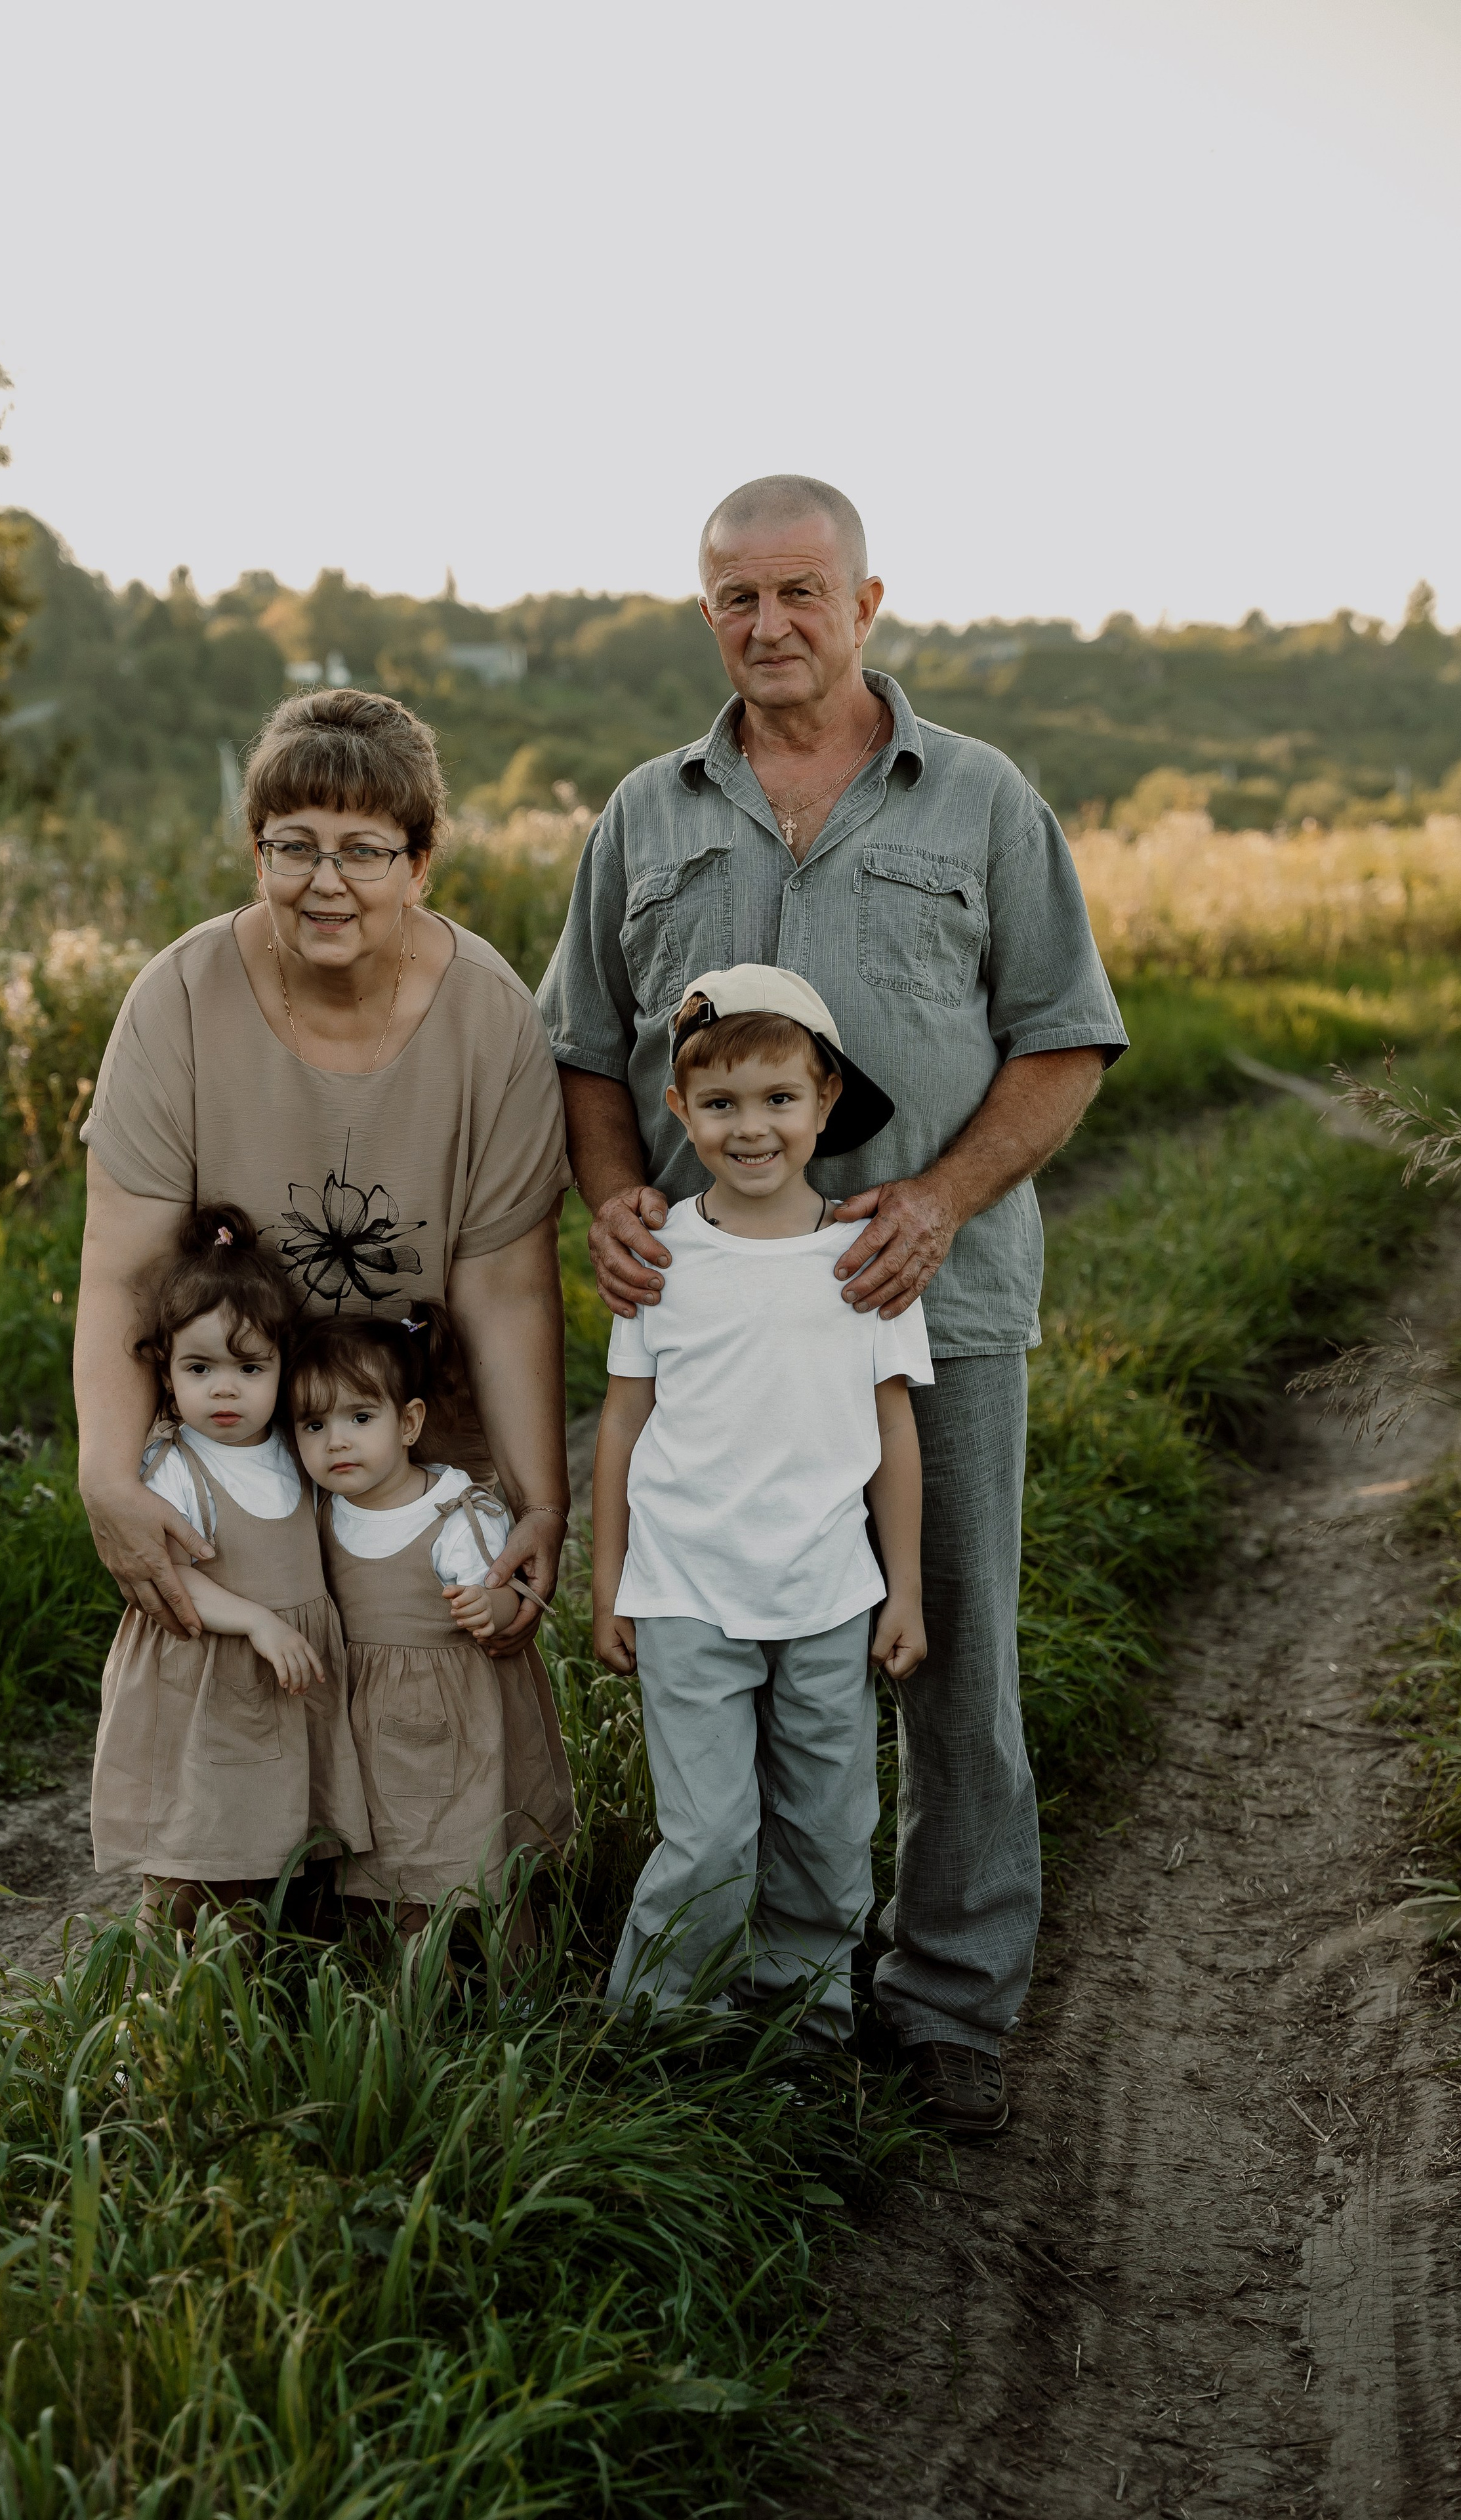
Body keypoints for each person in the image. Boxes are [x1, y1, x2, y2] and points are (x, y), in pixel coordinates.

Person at [538, 474, 1128, 2133]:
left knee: (948, 1651)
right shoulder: (644, 815)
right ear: (702, 611)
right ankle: (758, 1991)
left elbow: (1065, 1035)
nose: (767, 624)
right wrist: (605, 1201)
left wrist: (937, 1198)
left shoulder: (981, 802)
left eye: (800, 592)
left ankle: (943, 1999)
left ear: (866, 602)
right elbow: (582, 1047)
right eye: (734, 597)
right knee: (730, 1633)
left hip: (919, 1303)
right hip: (710, 1334)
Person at [74, 686, 573, 1667]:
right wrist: (107, 1477)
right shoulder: (178, 998)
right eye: (292, 846)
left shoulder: (493, 1018)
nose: (324, 882)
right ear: (257, 852)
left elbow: (507, 1291)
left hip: (408, 1443)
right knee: (244, 1727)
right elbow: (125, 1273)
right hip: (233, 1436)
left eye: (364, 851)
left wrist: (541, 1502)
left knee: (421, 1743)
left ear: (420, 863)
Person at [590, 969, 931, 2045]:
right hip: (688, 1589)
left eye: (780, 1099)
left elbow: (893, 1437)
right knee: (710, 1836)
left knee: (829, 1834)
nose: (753, 1129)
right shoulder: (659, 1261)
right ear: (680, 1111)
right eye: (722, 1104)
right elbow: (620, 1425)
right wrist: (610, 1582)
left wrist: (904, 1589)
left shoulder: (862, 1260)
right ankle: (659, 2036)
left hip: (830, 1592)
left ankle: (803, 2036)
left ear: (826, 1101)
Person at [91, 1203, 371, 1936]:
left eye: (250, 1368)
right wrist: (255, 1620)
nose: (224, 1389)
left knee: (287, 1832)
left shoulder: (298, 1449)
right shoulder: (173, 1464)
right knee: (204, 1834)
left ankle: (286, 1960)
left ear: (283, 1365)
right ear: (165, 1368)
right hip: (209, 1676)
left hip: (289, 1676)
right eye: (199, 1367)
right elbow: (169, 1575)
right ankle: (179, 1982)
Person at [293, 1307, 573, 1946]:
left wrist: (489, 1605)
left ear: (409, 1421)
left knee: (478, 1852)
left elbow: (510, 1596)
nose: (336, 1440)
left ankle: (517, 1981)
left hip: (454, 1724)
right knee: (396, 1862)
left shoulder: (452, 1510)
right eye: (314, 1424)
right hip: (365, 1726)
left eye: (360, 1418)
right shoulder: (320, 1516)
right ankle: (421, 1987)